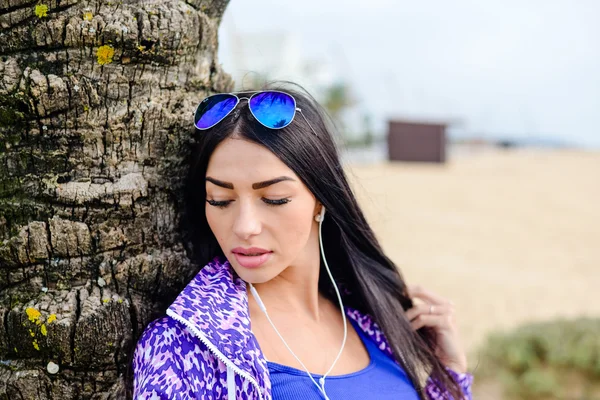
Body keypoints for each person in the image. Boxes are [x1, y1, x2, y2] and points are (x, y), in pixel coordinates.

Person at [132, 83, 473, 399]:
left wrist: (451, 375)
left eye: (275, 198)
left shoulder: (376, 319)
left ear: (321, 198)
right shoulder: (182, 350)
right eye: (220, 200)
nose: (245, 227)